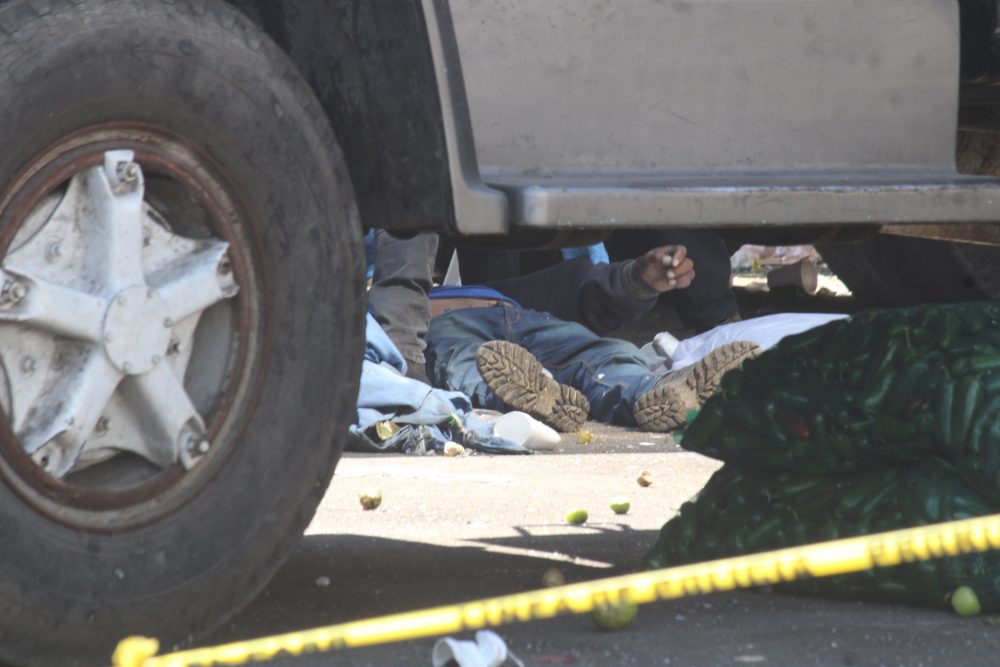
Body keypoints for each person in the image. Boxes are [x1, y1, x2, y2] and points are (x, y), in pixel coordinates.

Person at [424, 245, 761, 432]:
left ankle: (656, 391)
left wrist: (636, 280)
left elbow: (572, 286)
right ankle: (535, 397)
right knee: (465, 362)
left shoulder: (494, 288)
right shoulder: (403, 302)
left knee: (602, 354)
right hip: (443, 326)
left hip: (520, 314)